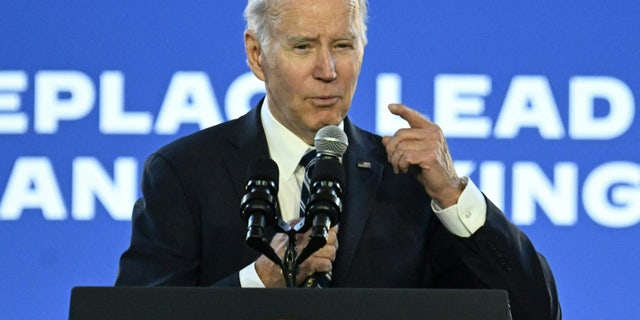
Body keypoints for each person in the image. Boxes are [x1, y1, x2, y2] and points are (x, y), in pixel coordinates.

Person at [115, 0, 561, 319]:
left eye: (343, 46)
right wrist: (260, 281)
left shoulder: (407, 179)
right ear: (257, 54)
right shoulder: (185, 172)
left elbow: (534, 311)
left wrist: (453, 196)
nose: (328, 70)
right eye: (304, 46)